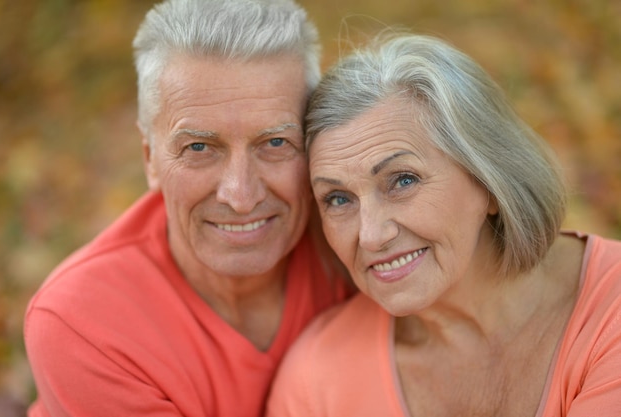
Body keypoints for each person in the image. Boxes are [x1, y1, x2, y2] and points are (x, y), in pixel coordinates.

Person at [24, 0, 352, 416]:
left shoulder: (361, 246)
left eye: (274, 143)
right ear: (150, 159)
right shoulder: (84, 324)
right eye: (199, 147)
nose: (241, 195)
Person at [266, 33, 621, 417]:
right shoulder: (318, 382)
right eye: (338, 199)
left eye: (402, 180)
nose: (371, 235)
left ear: (488, 180)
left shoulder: (610, 314)